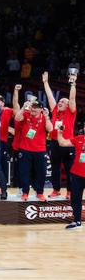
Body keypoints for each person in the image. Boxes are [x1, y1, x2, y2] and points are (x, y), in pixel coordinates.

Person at [44, 70, 77, 198]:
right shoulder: (55, 110)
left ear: (68, 105)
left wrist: (73, 84)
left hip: (68, 143)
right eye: (60, 101)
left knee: (70, 170)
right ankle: (56, 190)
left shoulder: (71, 111)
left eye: (63, 101)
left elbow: (72, 98)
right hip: (54, 143)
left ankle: (69, 191)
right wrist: (46, 82)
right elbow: (50, 96)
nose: (60, 102)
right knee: (55, 168)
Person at [14, 99, 53, 201]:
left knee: (41, 173)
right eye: (32, 107)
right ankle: (25, 192)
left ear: (41, 109)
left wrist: (47, 116)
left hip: (40, 150)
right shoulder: (26, 114)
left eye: (36, 107)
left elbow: (50, 129)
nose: (34, 109)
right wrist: (23, 107)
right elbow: (17, 118)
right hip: (25, 149)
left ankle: (39, 193)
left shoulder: (44, 117)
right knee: (24, 172)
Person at [56, 126, 83, 230]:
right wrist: (59, 133)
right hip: (76, 174)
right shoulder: (79, 138)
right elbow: (62, 143)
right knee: (75, 198)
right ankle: (77, 221)